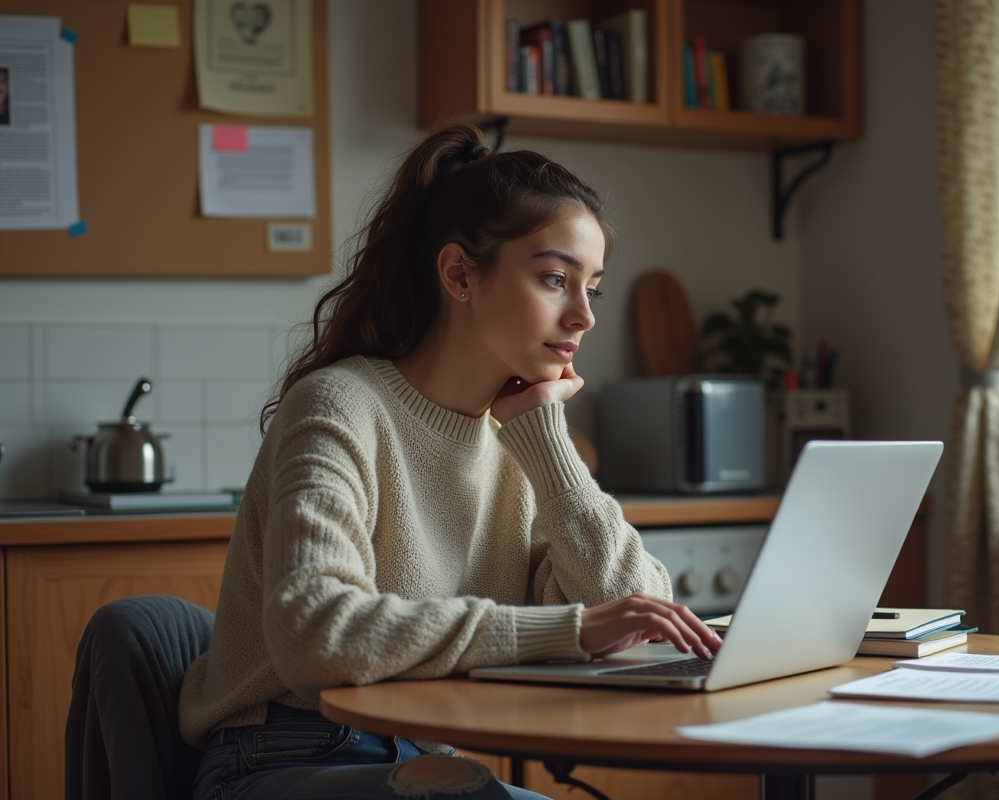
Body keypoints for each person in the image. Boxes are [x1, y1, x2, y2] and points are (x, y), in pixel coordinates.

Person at [178, 122, 723, 800]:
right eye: (556, 278)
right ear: (460, 274)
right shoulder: (341, 404)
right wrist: (568, 631)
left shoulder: (527, 439)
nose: (583, 315)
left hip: (423, 760)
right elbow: (314, 637)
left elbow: (638, 616)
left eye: (594, 288)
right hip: (283, 758)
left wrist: (545, 438)